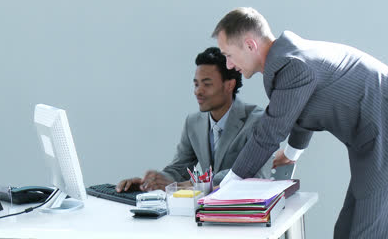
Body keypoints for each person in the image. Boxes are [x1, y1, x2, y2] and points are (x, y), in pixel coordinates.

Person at [212, 7, 388, 239]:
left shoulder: (292, 64)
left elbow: (269, 132)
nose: (228, 65)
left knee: (371, 233)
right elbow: (299, 110)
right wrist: (292, 153)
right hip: (377, 139)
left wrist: (229, 186)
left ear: (249, 44)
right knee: (347, 231)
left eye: (227, 55)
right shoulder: (291, 59)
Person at [116, 47, 272, 193]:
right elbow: (179, 169)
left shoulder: (257, 121)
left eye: (207, 84)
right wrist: (151, 183)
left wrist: (194, 184)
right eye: (196, 84)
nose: (198, 91)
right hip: (203, 212)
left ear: (229, 85)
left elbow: (253, 174)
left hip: (244, 210)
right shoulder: (193, 123)